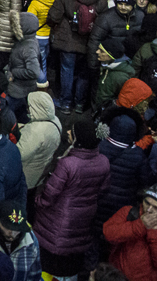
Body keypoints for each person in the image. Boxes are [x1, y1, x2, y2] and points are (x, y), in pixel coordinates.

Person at [31, 118, 110, 280]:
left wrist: (37, 201)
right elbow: (103, 191)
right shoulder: (104, 162)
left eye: (72, 132)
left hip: (56, 224)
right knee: (67, 269)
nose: (68, 132)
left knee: (47, 267)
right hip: (84, 221)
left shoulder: (68, 164)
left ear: (78, 141)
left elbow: (49, 195)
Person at [103, 184, 157, 281]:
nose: (149, 210)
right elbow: (108, 233)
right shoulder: (128, 213)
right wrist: (140, 225)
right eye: (147, 203)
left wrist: (156, 232)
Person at [0, 201, 41, 281]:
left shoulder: (30, 241)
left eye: (17, 229)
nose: (13, 234)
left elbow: (34, 276)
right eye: (8, 227)